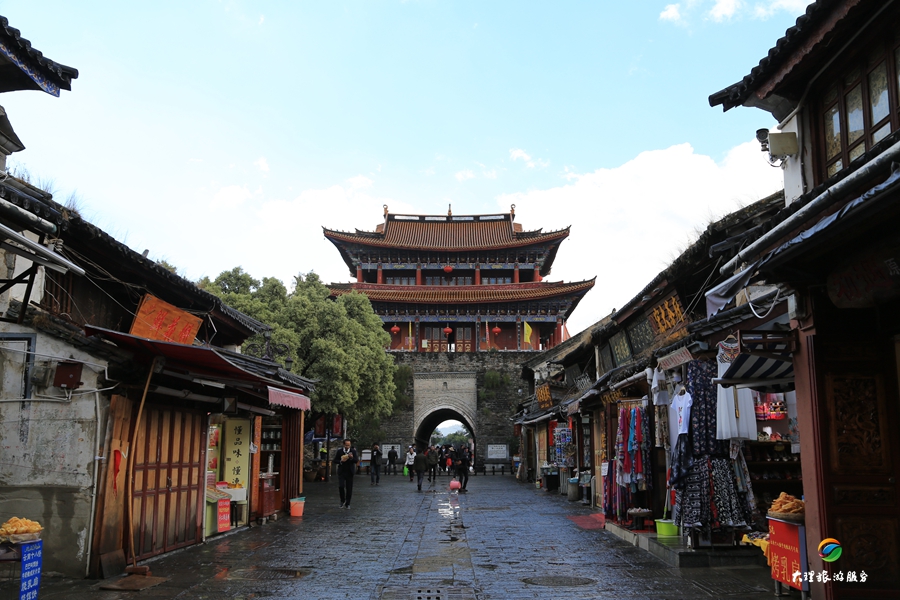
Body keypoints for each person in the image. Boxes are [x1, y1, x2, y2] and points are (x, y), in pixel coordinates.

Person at [334, 438, 358, 509]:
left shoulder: (353, 451)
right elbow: (335, 460)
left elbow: (356, 460)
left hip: (349, 472)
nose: (348, 446)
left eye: (349, 445)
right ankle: (342, 500)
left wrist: (351, 458)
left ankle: (348, 503)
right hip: (342, 471)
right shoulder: (340, 451)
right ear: (344, 445)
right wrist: (341, 461)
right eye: (346, 445)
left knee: (349, 488)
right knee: (341, 486)